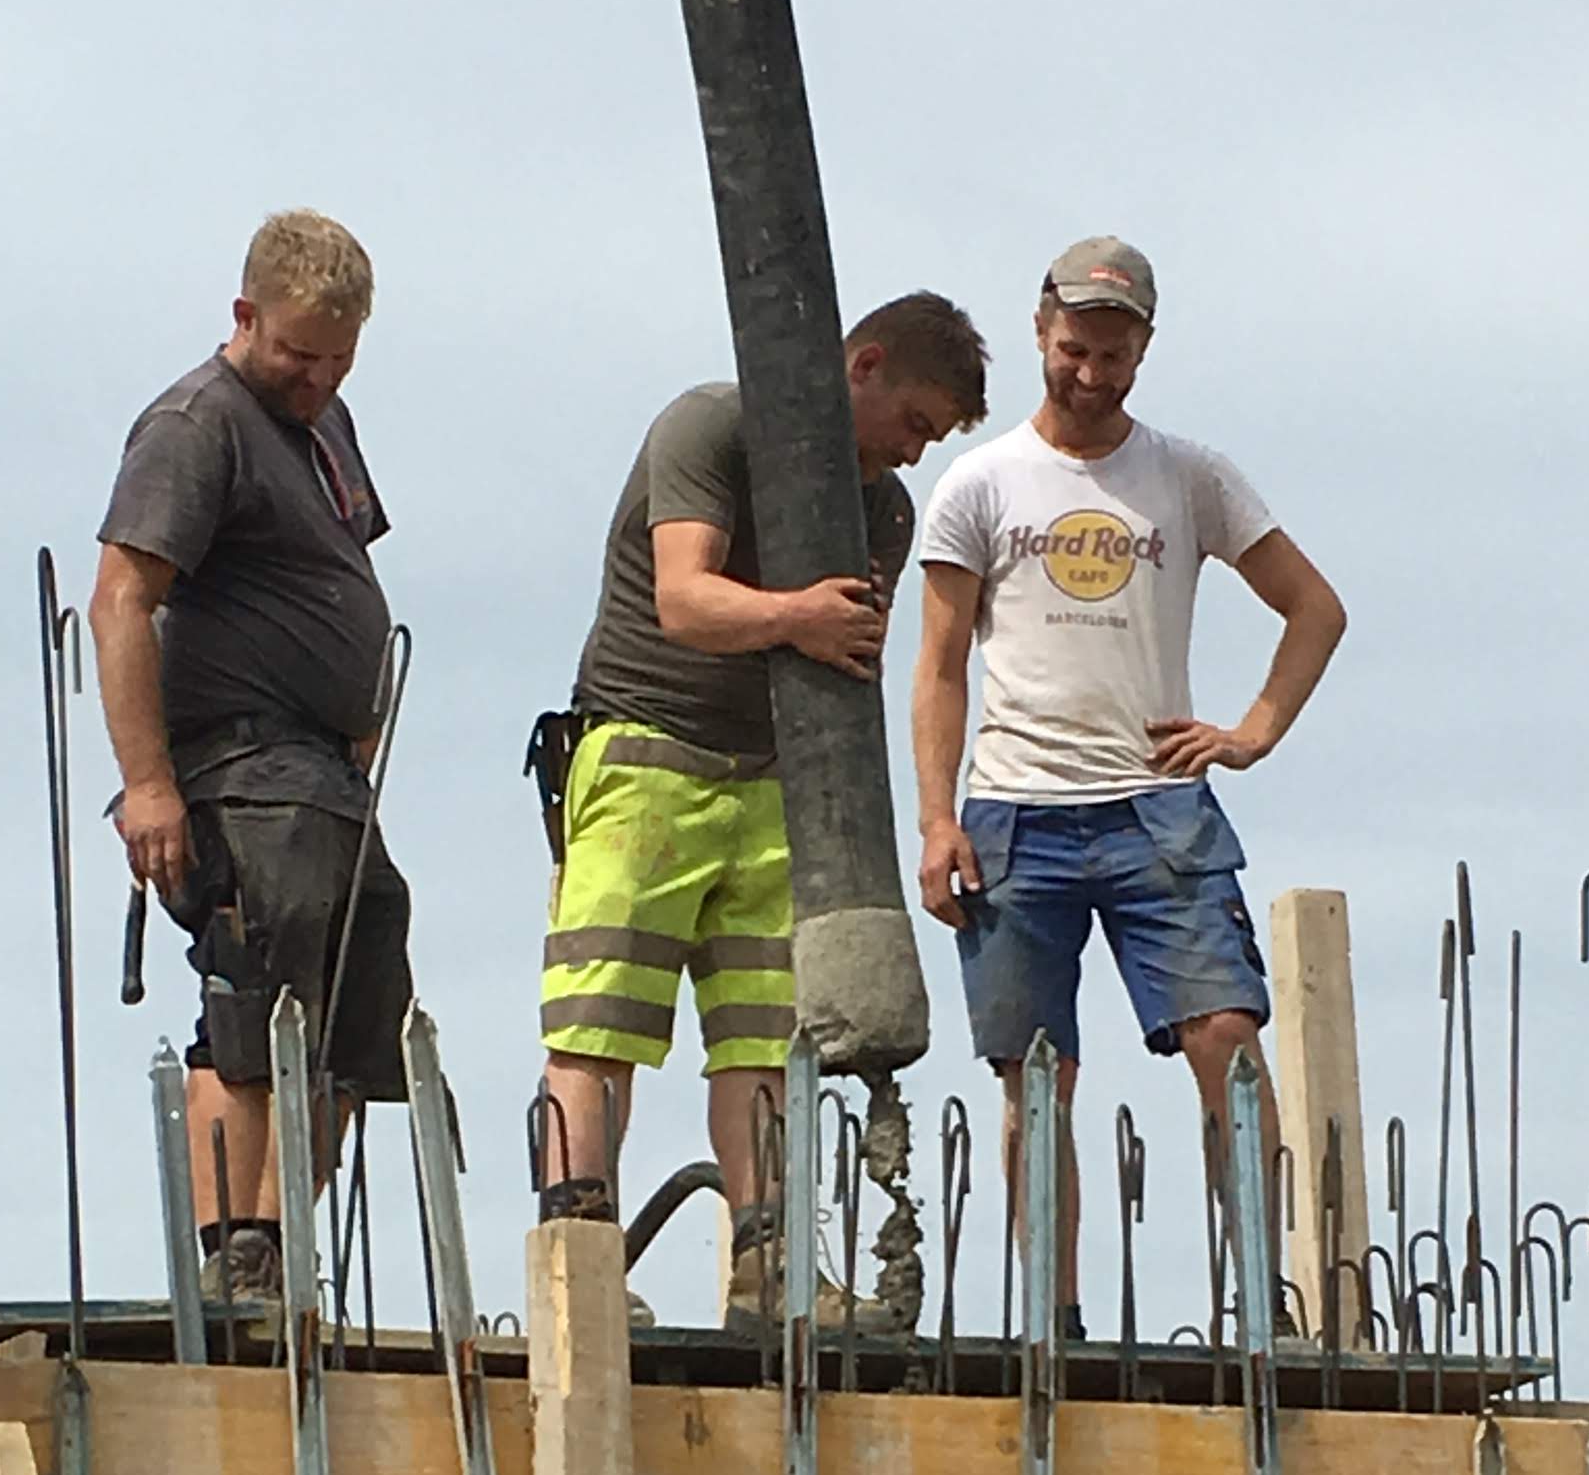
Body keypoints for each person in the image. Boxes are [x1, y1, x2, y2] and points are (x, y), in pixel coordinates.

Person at [910, 237, 1347, 1323]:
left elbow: (1314, 607)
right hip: (1016, 813)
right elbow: (940, 666)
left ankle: (1261, 1303)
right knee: (1035, 1072)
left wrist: (1252, 731)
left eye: (1113, 355)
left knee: (1226, 1037)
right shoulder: (980, 484)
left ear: (1144, 348)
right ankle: (1052, 1319)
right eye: (1074, 350)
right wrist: (935, 821)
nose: (1091, 374)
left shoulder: (1190, 476)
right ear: (1040, 331)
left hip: (1158, 809)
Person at [539, 292, 988, 1318]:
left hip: (770, 782)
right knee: (600, 1023)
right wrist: (796, 616)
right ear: (863, 367)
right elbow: (684, 598)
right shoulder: (713, 428)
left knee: (762, 1041)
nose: (914, 452)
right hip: (644, 758)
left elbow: (850, 650)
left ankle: (769, 1267)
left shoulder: (882, 511)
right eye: (913, 421)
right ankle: (581, 1264)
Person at [90, 209, 410, 1297]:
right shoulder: (198, 424)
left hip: (326, 778)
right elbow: (121, 599)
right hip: (241, 772)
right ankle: (236, 1250)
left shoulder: (325, 424)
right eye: (298, 354)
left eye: (338, 359)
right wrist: (148, 785)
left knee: (351, 1013)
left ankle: (283, 1242)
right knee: (252, 997)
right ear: (244, 315)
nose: (317, 377)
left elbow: (338, 574)